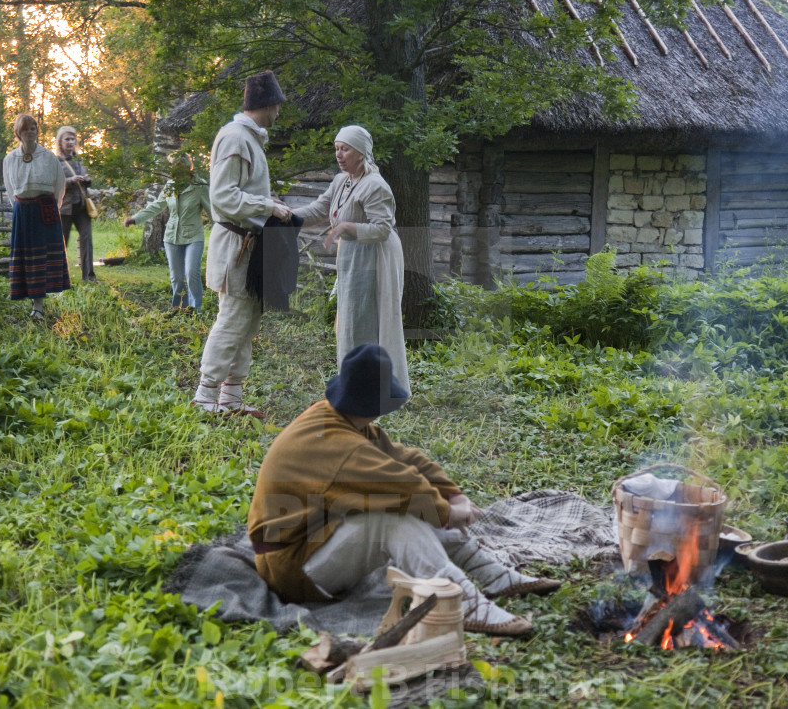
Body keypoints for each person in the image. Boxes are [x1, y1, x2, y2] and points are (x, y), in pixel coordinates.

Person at [247, 344, 560, 636]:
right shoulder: (339, 444)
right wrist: (450, 512)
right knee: (394, 519)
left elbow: (405, 458)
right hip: (290, 568)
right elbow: (407, 487)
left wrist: (452, 493)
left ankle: (489, 574)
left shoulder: (340, 419)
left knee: (406, 508)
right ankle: (458, 600)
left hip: (312, 539)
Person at [192, 70, 293, 417]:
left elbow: (245, 192)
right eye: (277, 106)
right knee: (232, 320)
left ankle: (230, 398)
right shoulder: (235, 138)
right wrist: (267, 206)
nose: (279, 113)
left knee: (247, 324)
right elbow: (222, 198)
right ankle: (205, 397)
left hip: (251, 248)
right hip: (236, 247)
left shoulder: (249, 139)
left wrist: (270, 202)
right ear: (267, 104)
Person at [294, 125, 409, 391]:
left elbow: (383, 228)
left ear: (361, 152)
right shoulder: (341, 181)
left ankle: (374, 386)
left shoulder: (375, 186)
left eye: (345, 149)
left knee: (365, 318)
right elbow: (319, 209)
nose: (339, 154)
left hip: (375, 257)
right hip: (353, 255)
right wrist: (286, 217)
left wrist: (348, 228)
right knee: (350, 318)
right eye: (336, 149)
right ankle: (356, 381)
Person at [2, 113, 70, 320]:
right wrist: (22, 207)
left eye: (33, 128)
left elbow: (59, 185)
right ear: (18, 133)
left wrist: (51, 206)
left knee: (43, 258)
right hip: (23, 212)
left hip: (45, 211)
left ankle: (39, 306)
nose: (30, 132)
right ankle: (33, 302)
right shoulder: (10, 159)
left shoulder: (48, 156)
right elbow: (9, 188)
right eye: (26, 129)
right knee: (28, 258)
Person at [124, 153, 209, 311]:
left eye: (180, 167)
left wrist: (227, 226)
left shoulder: (200, 186)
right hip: (171, 237)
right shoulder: (170, 185)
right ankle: (179, 308)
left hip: (194, 236)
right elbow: (156, 206)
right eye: (174, 168)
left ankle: (195, 309)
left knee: (191, 273)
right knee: (176, 277)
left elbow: (213, 211)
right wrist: (135, 219)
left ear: (188, 167)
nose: (177, 171)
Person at [55, 126, 97, 283]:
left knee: (87, 240)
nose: (70, 142)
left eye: (73, 139)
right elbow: (55, 183)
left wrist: (87, 180)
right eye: (67, 139)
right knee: (62, 241)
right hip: (64, 207)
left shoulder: (81, 159)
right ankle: (58, 276)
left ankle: (89, 276)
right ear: (60, 141)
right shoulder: (56, 161)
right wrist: (71, 181)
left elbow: (87, 178)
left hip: (82, 206)